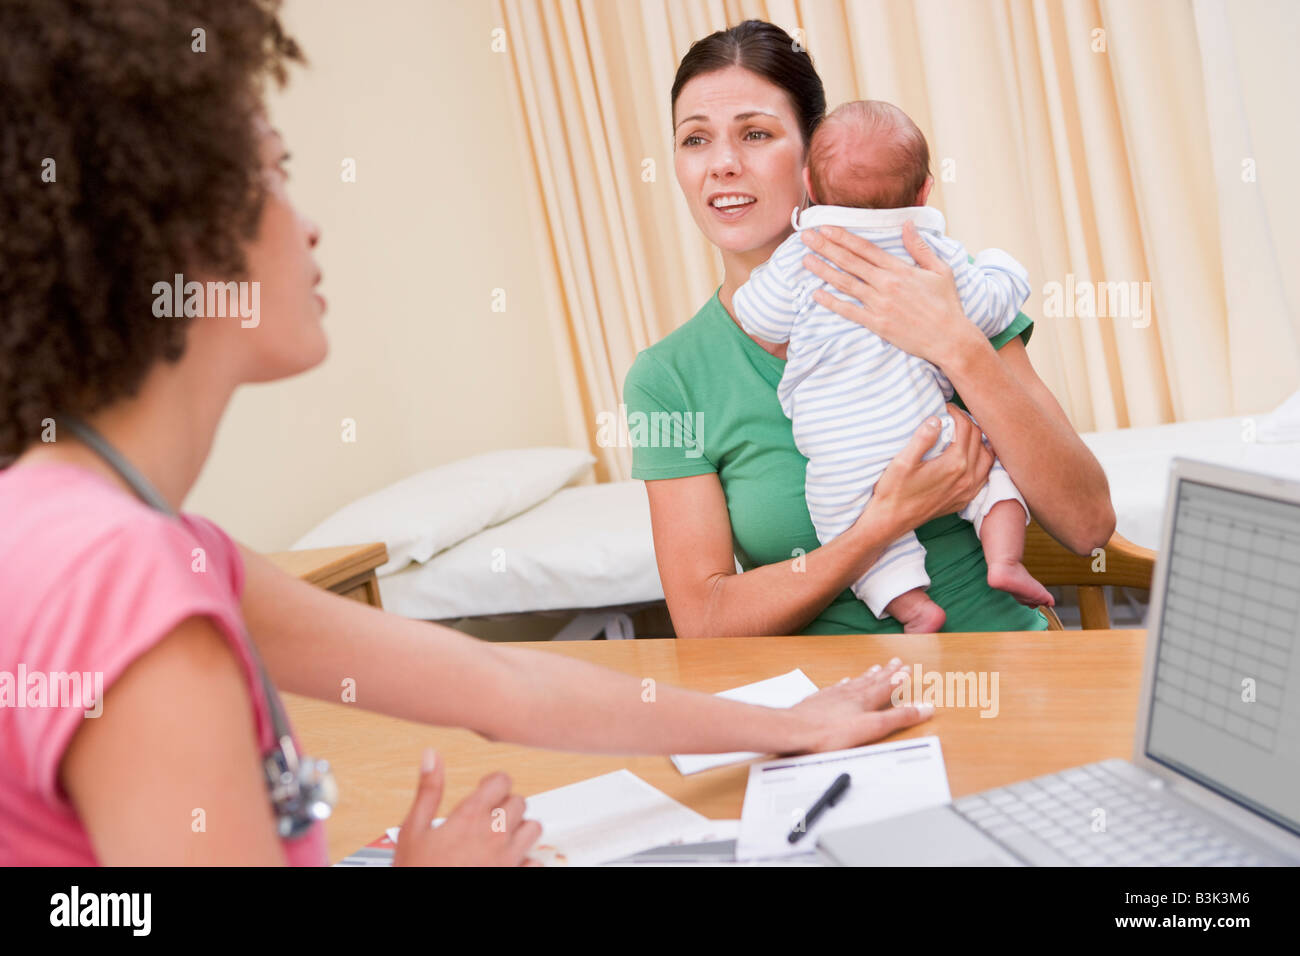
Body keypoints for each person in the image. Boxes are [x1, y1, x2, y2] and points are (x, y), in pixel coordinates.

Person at [0, 0, 932, 868]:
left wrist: (794, 728)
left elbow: (504, 688)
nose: (312, 224)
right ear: (172, 235)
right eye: (278, 175)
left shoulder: (141, 543)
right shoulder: (127, 587)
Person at [623, 20, 1115, 639]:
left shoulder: (939, 282)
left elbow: (1088, 521)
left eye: (755, 133)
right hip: (838, 715)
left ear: (811, 159)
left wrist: (956, 346)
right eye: (695, 140)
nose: (722, 164)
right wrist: (882, 523)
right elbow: (706, 620)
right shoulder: (668, 379)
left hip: (1010, 672)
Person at [730, 99, 1053, 633]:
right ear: (924, 191)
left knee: (845, 519)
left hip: (841, 451)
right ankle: (1005, 560)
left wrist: (774, 278)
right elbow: (990, 307)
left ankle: (911, 606)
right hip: (928, 427)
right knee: (991, 476)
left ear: (808, 183)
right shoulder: (930, 250)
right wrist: (1005, 267)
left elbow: (758, 317)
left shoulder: (801, 253)